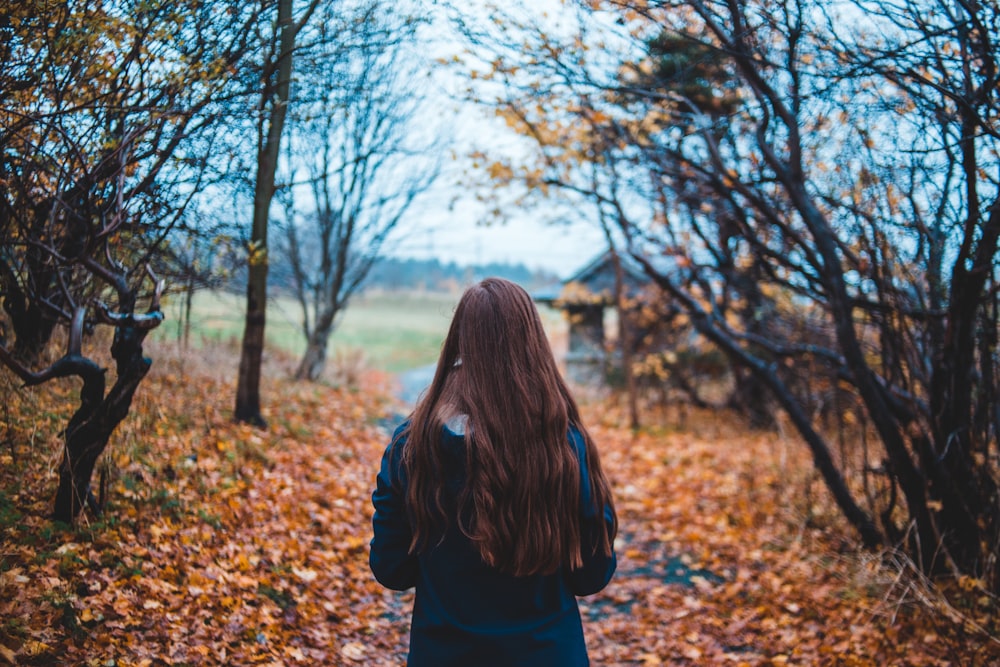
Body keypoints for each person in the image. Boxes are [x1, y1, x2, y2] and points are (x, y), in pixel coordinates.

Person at [370, 277, 618, 667]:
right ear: (533, 340)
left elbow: (391, 570)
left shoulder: (411, 446)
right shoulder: (565, 446)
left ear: (459, 341)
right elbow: (592, 576)